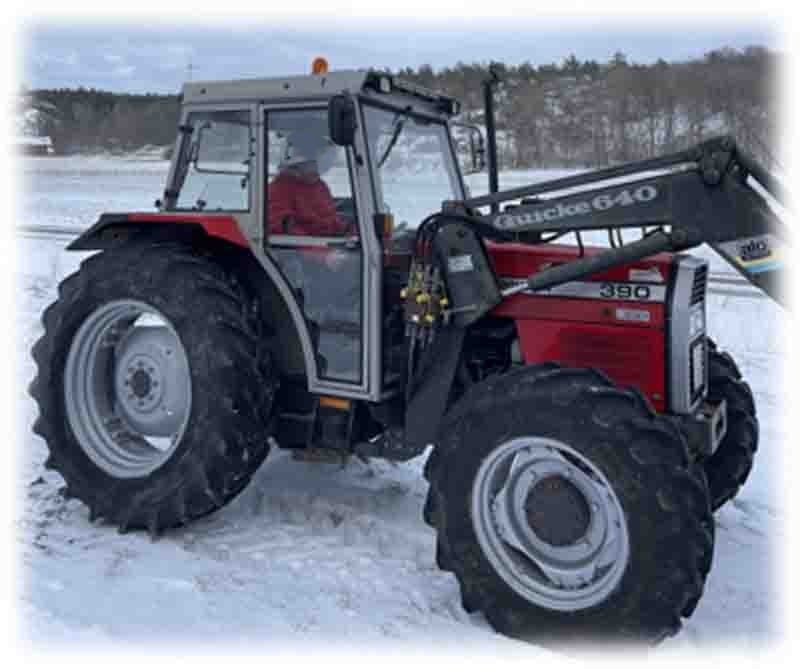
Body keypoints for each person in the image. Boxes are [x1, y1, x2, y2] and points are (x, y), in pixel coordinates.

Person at [267, 131, 354, 239]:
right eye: (314, 162)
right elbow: (285, 229)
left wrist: (349, 230)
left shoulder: (319, 186)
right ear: (300, 162)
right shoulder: (279, 189)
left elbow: (331, 221)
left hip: (327, 245)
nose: (318, 167)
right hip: (300, 252)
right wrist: (322, 252)